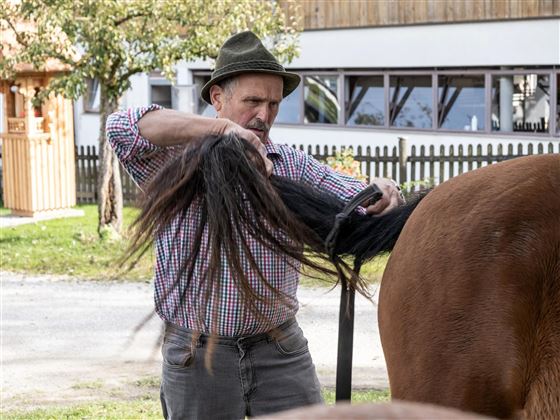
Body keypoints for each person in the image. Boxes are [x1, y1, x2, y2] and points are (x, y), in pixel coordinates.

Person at [106, 31, 404, 419]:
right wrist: (224, 131)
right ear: (218, 99)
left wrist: (383, 190)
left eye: (273, 103)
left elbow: (357, 198)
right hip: (198, 354)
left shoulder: (289, 165)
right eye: (252, 102)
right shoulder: (174, 163)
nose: (263, 115)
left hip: (280, 349)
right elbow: (121, 127)